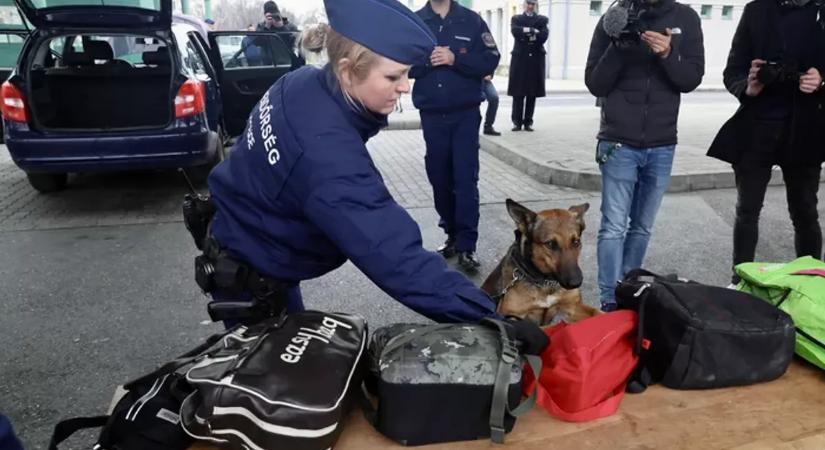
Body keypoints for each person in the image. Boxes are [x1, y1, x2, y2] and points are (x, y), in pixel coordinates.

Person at [200, 0, 547, 353]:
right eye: (393, 76)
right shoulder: (328, 158)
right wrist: (493, 319)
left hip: (247, 244)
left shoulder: (303, 82)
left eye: (408, 74)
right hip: (250, 272)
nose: (405, 87)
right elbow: (395, 257)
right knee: (267, 391)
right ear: (348, 71)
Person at [585, 0, 705, 311]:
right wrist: (619, 46)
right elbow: (595, 82)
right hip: (618, 142)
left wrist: (668, 54)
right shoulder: (615, 16)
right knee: (613, 227)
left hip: (662, 142)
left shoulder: (686, 18)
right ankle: (610, 300)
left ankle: (629, 290)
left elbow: (690, 78)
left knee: (641, 226)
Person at [708, 0, 825, 284]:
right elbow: (732, 71)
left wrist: (822, 80)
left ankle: (811, 285)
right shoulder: (756, 10)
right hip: (758, 128)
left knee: (805, 211)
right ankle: (740, 281)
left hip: (805, 130)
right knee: (747, 210)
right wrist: (748, 86)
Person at [410, 0, 500, 274]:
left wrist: (455, 59)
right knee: (439, 177)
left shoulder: (471, 20)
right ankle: (450, 233)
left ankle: (467, 246)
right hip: (432, 114)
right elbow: (402, 63)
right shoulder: (414, 21)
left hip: (465, 114)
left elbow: (491, 58)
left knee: (465, 179)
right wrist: (429, 60)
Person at [508, 0, 548, 132]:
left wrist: (527, 36)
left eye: (533, 4)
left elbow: (543, 35)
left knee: (532, 92)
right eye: (528, 3)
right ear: (524, 5)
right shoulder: (517, 18)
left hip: (535, 58)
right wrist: (531, 30)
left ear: (536, 5)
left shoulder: (542, 19)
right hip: (520, 58)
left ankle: (528, 122)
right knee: (518, 92)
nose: (530, 6)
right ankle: (516, 122)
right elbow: (515, 31)